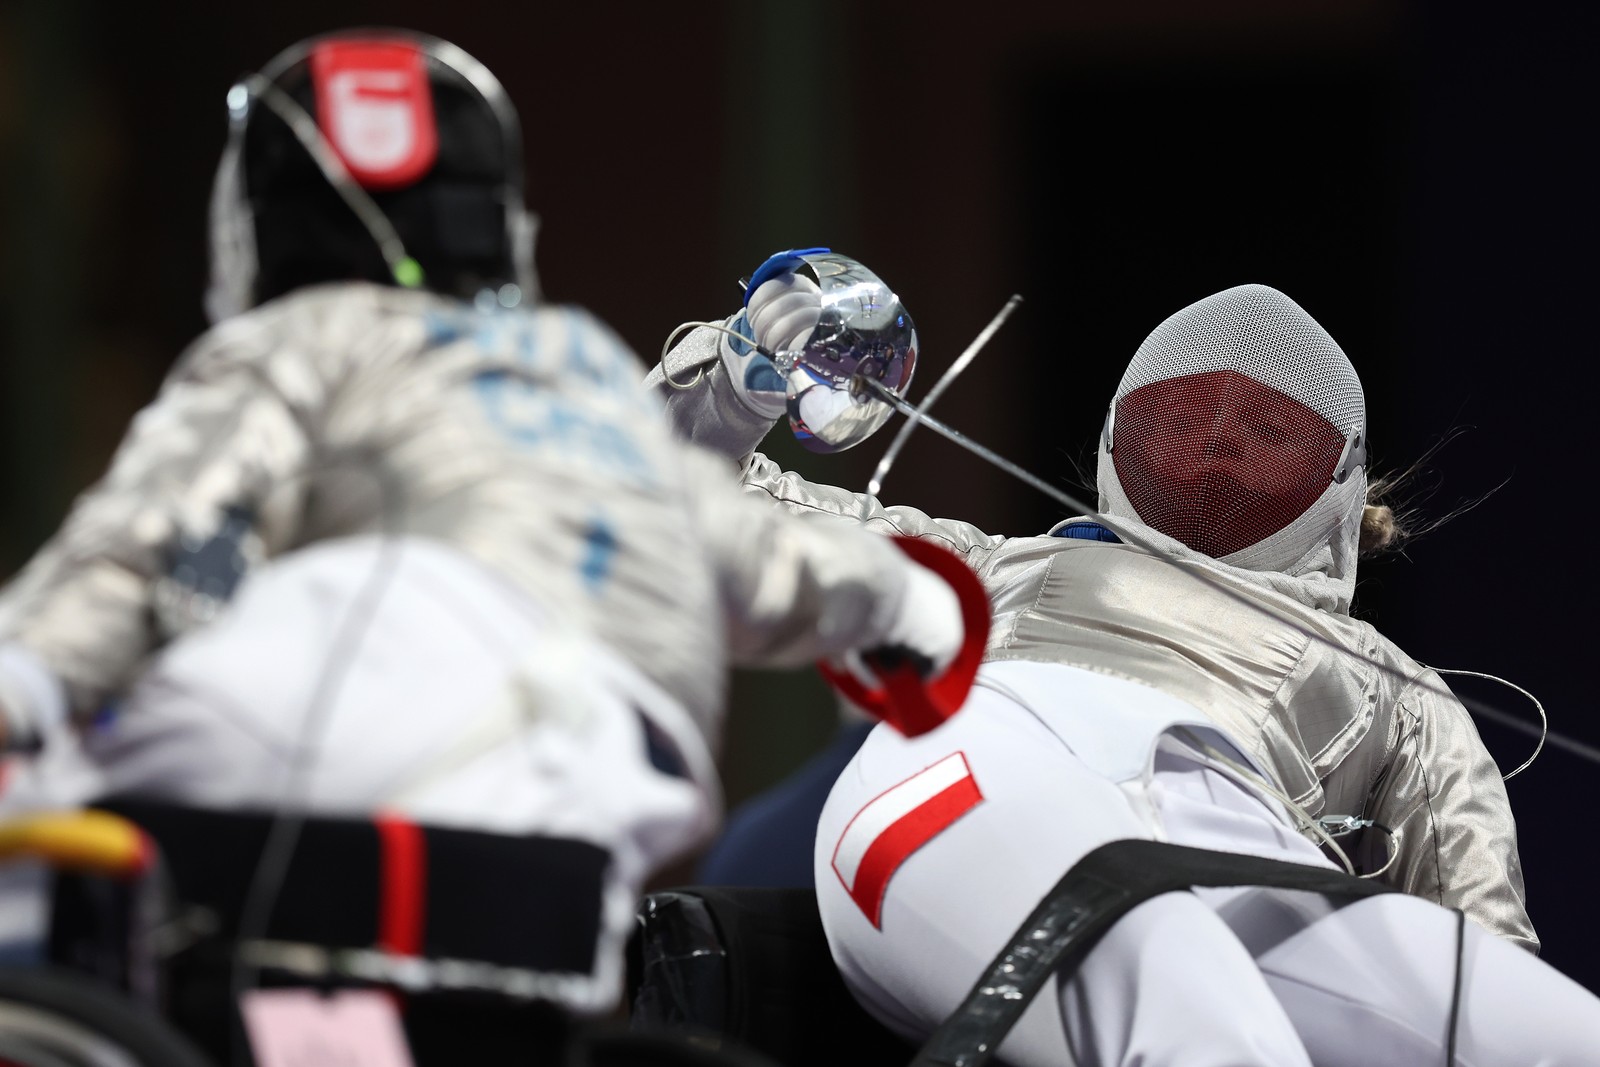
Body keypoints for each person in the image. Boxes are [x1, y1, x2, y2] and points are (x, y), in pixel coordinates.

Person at [0, 35, 969, 1018]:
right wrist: (905, 605)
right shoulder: (577, 366)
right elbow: (742, 547)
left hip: (351, 788)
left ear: (253, 225)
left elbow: (146, 542)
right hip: (583, 836)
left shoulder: (297, 342)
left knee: (48, 793)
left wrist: (26, 676)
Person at [647, 260, 1600, 1065]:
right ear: (1118, 439)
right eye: (1187, 418)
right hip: (981, 781)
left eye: (1267, 431)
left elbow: (1488, 945)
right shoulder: (994, 566)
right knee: (1203, 1030)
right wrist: (728, 383)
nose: (1222, 440)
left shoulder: (1405, 694)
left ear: (1337, 482)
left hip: (1242, 853)